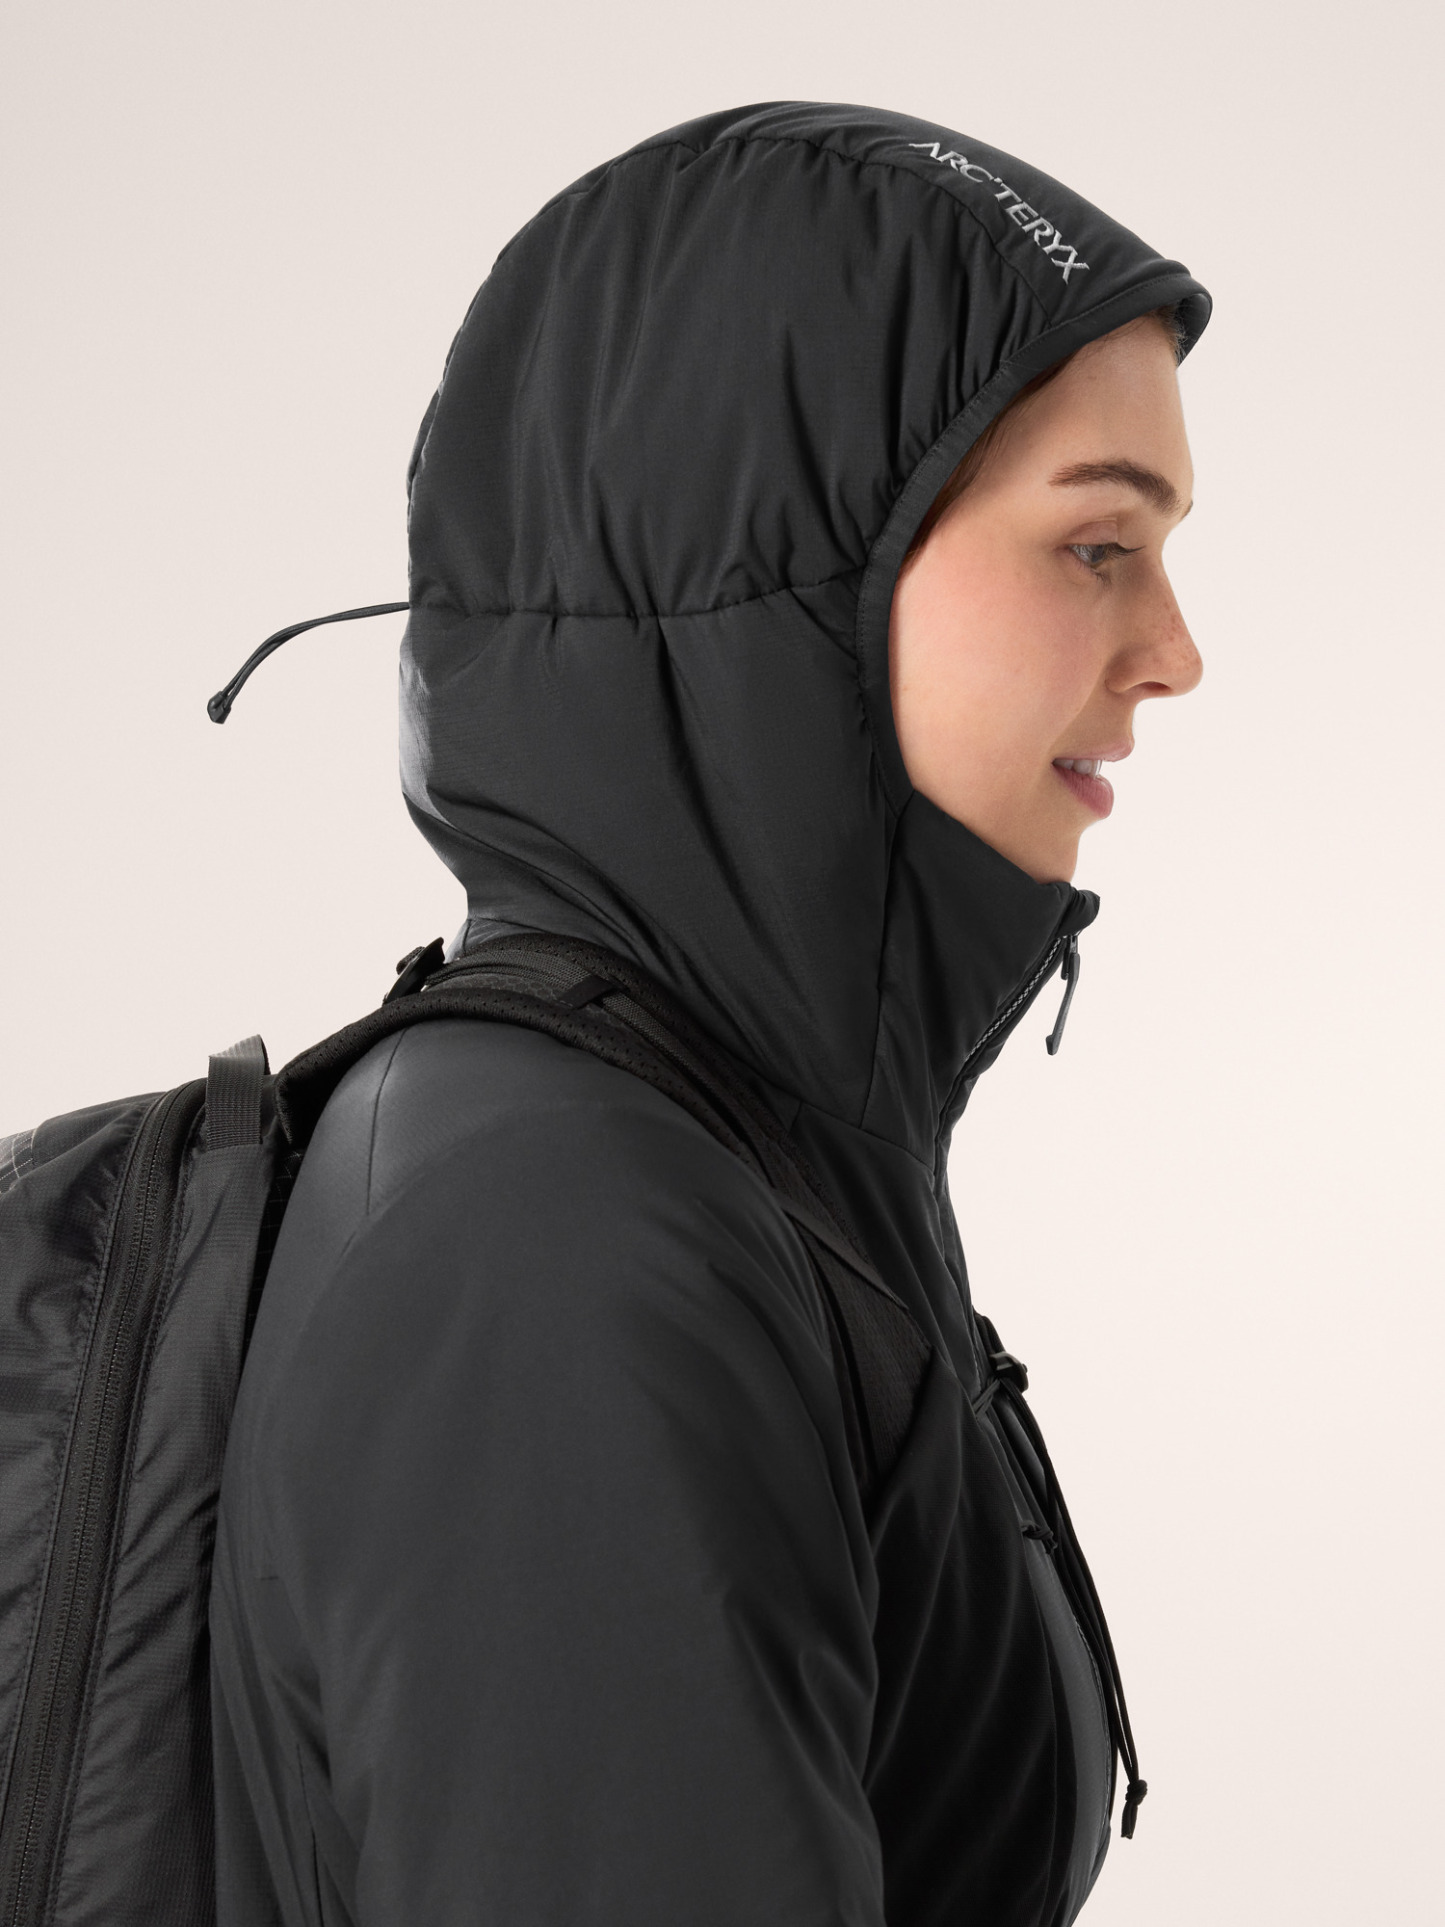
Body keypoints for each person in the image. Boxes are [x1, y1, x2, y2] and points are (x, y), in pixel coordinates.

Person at [210, 102, 1208, 1927]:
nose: (1173, 652)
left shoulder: (716, 1148)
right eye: (1095, 547)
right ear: (781, 572)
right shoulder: (554, 1242)